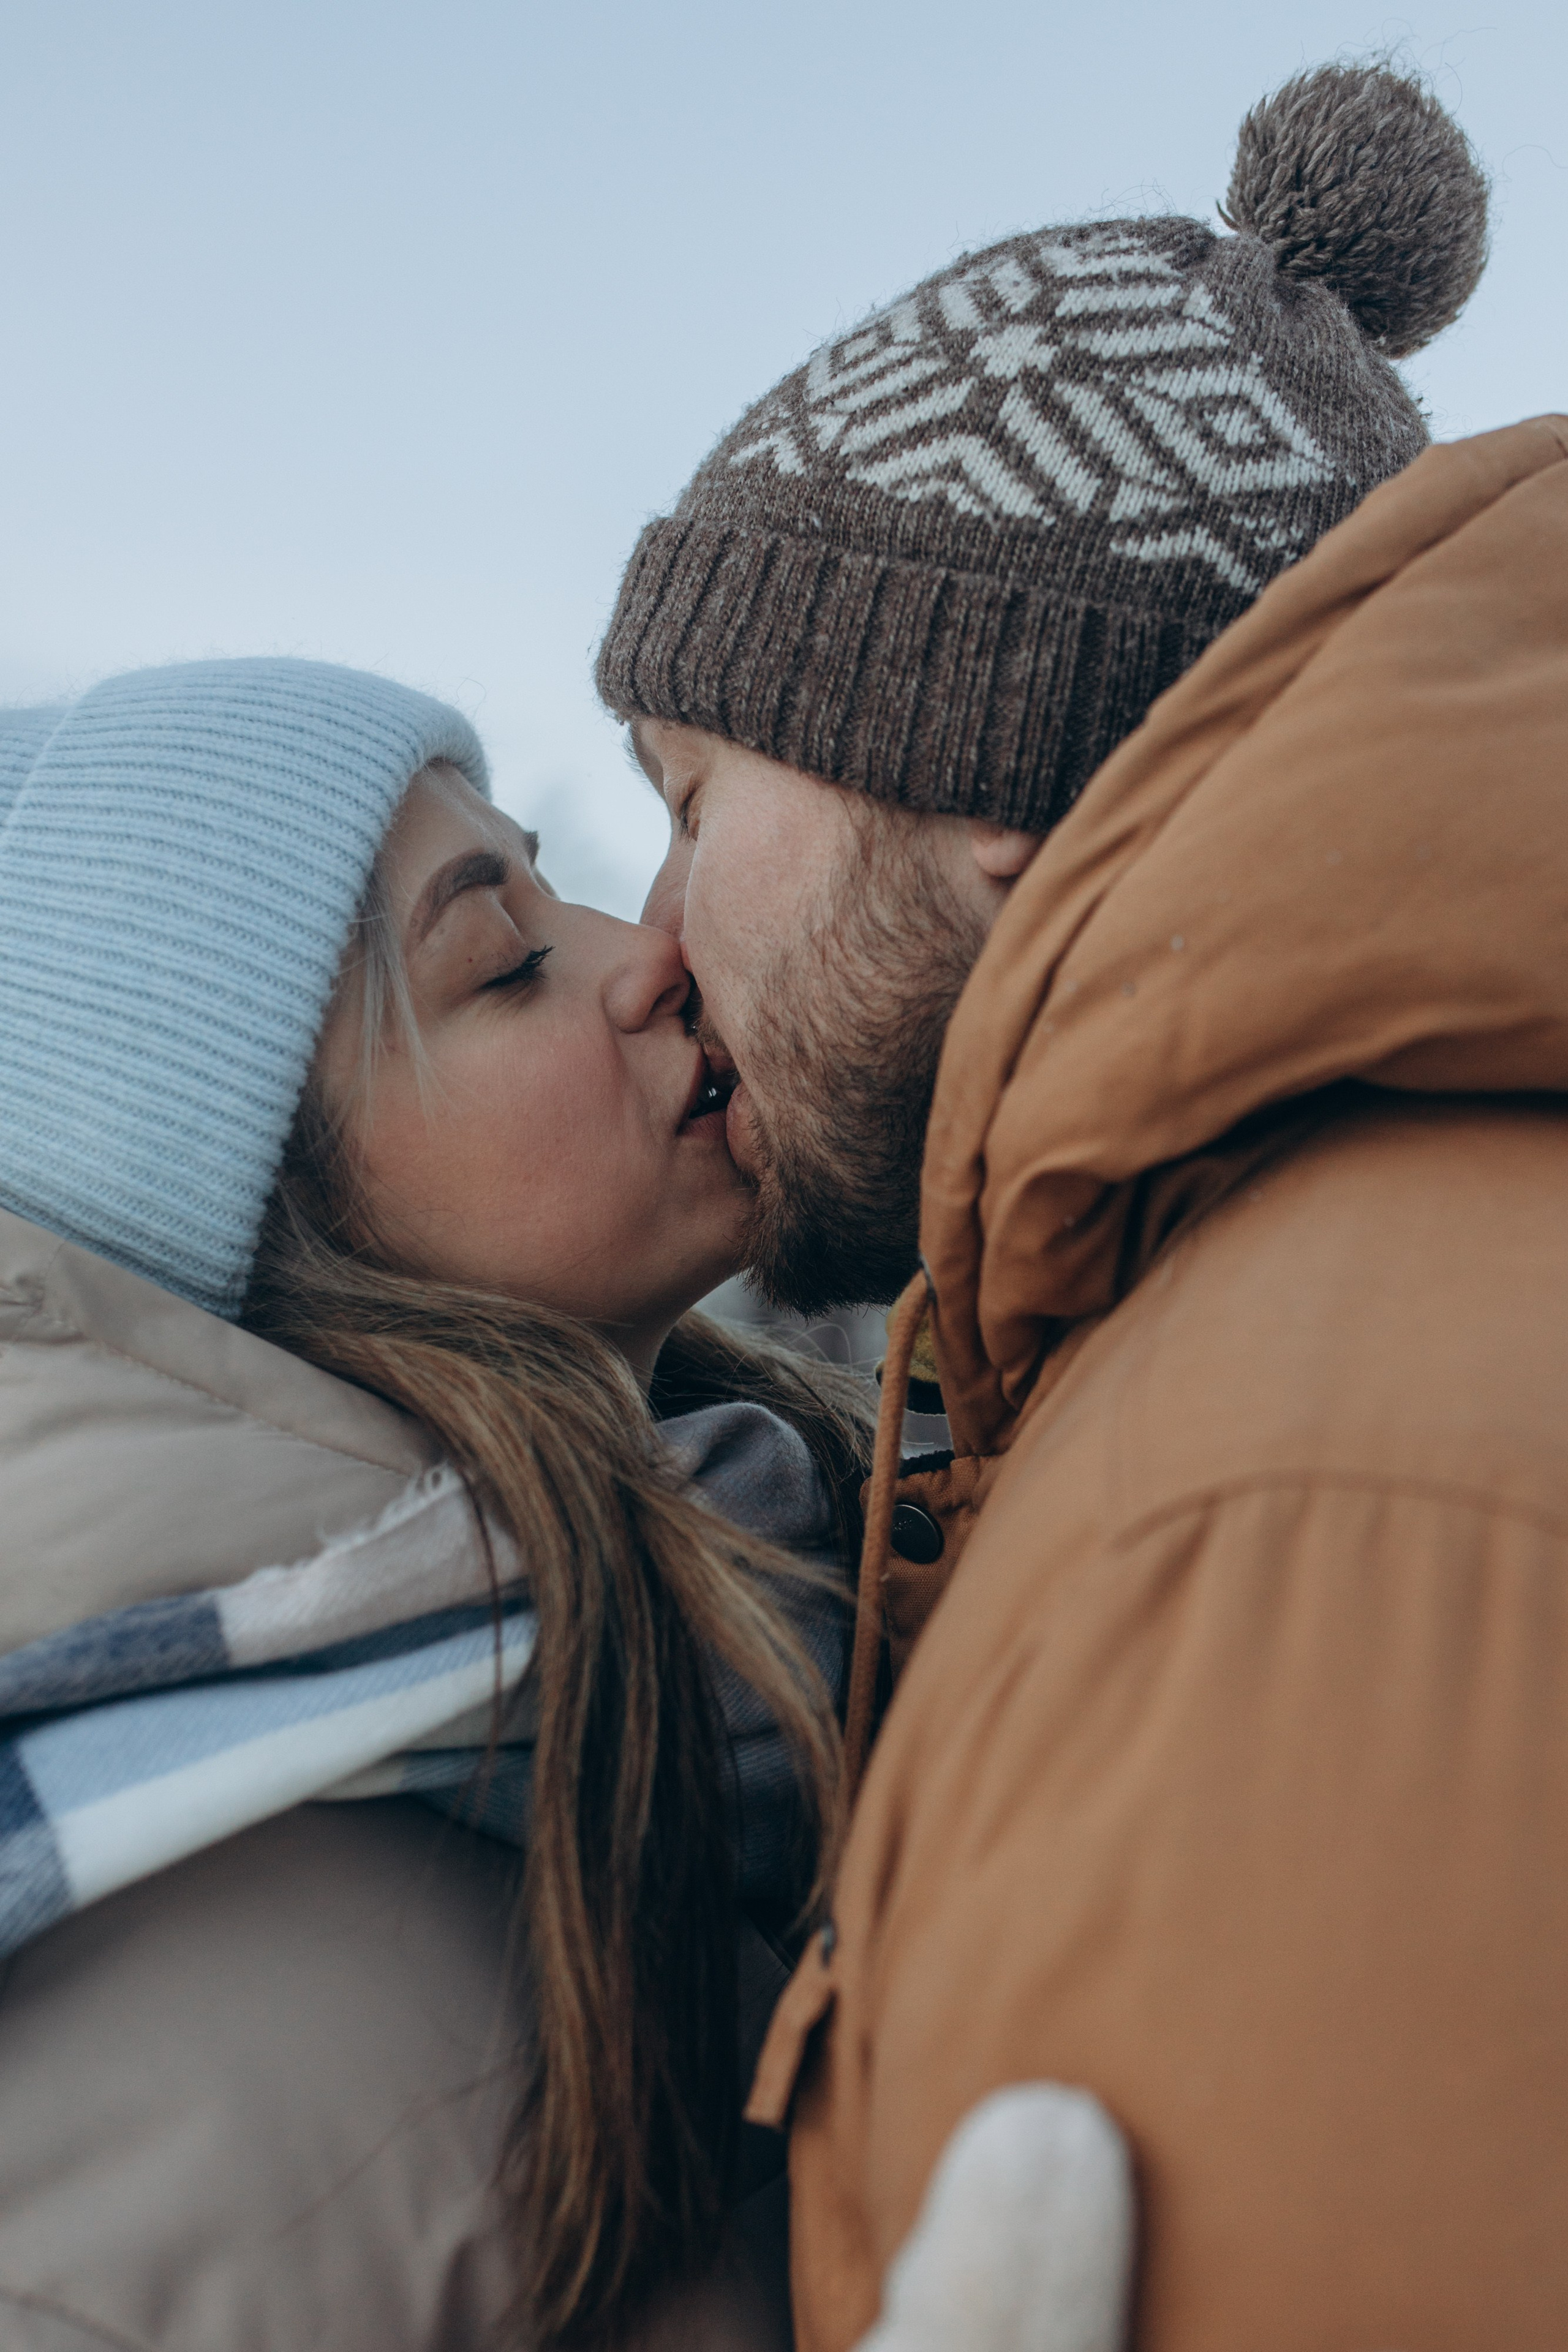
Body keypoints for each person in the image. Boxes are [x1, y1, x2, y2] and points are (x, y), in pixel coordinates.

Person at [599, 58, 1568, 2352]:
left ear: (978, 774)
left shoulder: (1289, 1507)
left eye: (696, 795)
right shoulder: (1192, 1344)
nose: (648, 933)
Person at [0, 658, 873, 2351]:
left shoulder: (752, 1616)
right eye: (506, 962)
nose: (653, 948)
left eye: (552, 886)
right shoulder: (147, 2076)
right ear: (259, 1229)